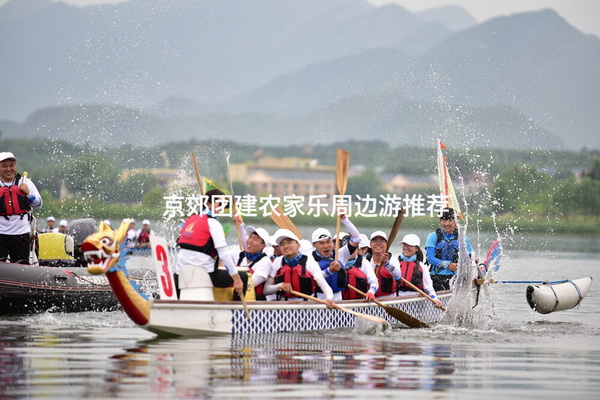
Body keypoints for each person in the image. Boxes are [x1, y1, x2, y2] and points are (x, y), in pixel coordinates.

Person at [174, 189, 246, 300]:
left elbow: (181, 231)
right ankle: (236, 313)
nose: (222, 207)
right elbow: (224, 255)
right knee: (243, 277)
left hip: (180, 273)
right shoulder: (214, 223)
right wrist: (237, 279)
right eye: (220, 203)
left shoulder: (190, 220)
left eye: (225, 205)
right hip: (204, 273)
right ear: (208, 203)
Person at [263, 229, 334, 307]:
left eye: (289, 242)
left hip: (307, 306)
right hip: (284, 307)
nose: (286, 246)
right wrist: (280, 286)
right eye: (282, 244)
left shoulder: (309, 261)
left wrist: (329, 299)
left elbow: (325, 286)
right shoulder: (277, 262)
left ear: (298, 245)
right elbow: (266, 290)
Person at [0, 152, 43, 264]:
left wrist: (28, 194)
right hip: (1, 233)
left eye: (11, 165)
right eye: (4, 166)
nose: (9, 169)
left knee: (21, 264)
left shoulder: (25, 182)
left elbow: (38, 205)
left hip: (21, 233)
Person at [311, 214, 363, 301]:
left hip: (338, 300)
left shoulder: (340, 254)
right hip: (317, 302)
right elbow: (314, 278)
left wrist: (345, 220)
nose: (326, 246)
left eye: (328, 242)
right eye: (321, 243)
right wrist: (330, 271)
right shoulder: (310, 259)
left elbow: (357, 239)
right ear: (314, 245)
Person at [425, 208, 474, 291]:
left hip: (456, 277)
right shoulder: (433, 237)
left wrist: (473, 259)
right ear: (440, 221)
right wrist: (448, 264)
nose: (446, 224)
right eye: (443, 220)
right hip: (436, 277)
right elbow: (430, 258)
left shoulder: (462, 238)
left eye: (450, 220)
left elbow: (470, 256)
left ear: (455, 222)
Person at [397, 234, 443, 308]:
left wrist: (435, 299)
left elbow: (429, 288)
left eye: (410, 245)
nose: (406, 248)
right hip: (396, 300)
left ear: (417, 249)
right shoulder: (395, 264)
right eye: (404, 244)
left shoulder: (421, 266)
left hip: (414, 302)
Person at [233, 225, 273, 300]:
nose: (250, 241)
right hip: (236, 296)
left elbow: (250, 284)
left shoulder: (265, 261)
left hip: (255, 301)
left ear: (263, 246)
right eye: (250, 237)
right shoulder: (239, 256)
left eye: (255, 239)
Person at [341, 234, 379, 300]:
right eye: (346, 249)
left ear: (357, 250)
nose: (349, 252)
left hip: (359, 302)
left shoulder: (364, 263)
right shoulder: (336, 261)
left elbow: (374, 281)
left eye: (352, 249)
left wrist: (371, 292)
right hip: (340, 302)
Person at [368, 230, 402, 298]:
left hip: (389, 299)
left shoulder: (392, 259)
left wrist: (387, 263)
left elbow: (398, 277)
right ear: (370, 244)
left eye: (382, 241)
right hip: (369, 298)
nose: (378, 243)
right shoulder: (366, 260)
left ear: (387, 245)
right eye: (375, 241)